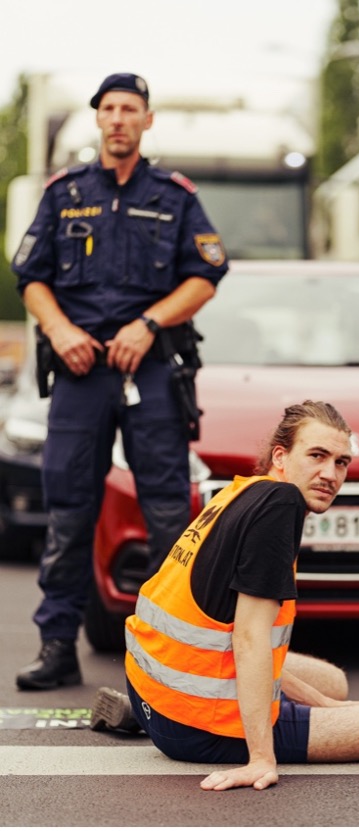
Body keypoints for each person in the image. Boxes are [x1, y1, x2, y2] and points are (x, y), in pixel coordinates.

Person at [12, 73, 228, 691]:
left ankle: (168, 654)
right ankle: (57, 647)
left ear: (147, 121)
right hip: (80, 375)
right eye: (108, 109)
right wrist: (59, 331)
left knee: (166, 514)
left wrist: (147, 324)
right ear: (98, 120)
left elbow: (207, 274)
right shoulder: (63, 193)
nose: (118, 119)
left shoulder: (175, 196)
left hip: (151, 371)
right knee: (69, 513)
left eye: (130, 109)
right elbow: (31, 274)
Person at [90, 401, 359, 791]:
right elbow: (250, 639)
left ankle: (141, 714)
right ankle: (206, 729)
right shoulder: (281, 507)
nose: (330, 474)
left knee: (333, 682)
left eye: (341, 462)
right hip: (197, 725)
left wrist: (324, 705)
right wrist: (261, 760)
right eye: (317, 456)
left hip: (151, 689)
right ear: (280, 456)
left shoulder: (239, 492)